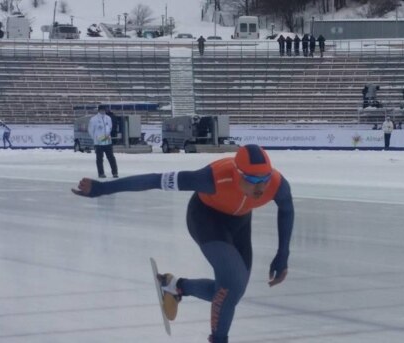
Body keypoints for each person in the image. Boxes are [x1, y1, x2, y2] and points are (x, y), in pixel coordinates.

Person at [71, 144, 295, 343]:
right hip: (205, 219)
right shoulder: (211, 178)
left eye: (264, 179)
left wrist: (282, 253)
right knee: (232, 282)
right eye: (253, 180)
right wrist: (102, 188)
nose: (260, 187)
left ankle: (175, 286)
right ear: (237, 174)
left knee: (231, 294)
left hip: (239, 224)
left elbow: (286, 209)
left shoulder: (276, 183)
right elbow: (154, 180)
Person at [88, 105, 118, 178]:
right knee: (99, 159)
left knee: (111, 158)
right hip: (98, 143)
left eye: (104, 110)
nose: (103, 111)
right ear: (99, 110)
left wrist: (106, 137)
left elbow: (110, 128)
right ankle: (101, 173)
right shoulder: (93, 119)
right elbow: (90, 130)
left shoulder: (108, 118)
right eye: (102, 110)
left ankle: (115, 172)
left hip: (107, 141)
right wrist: (96, 138)